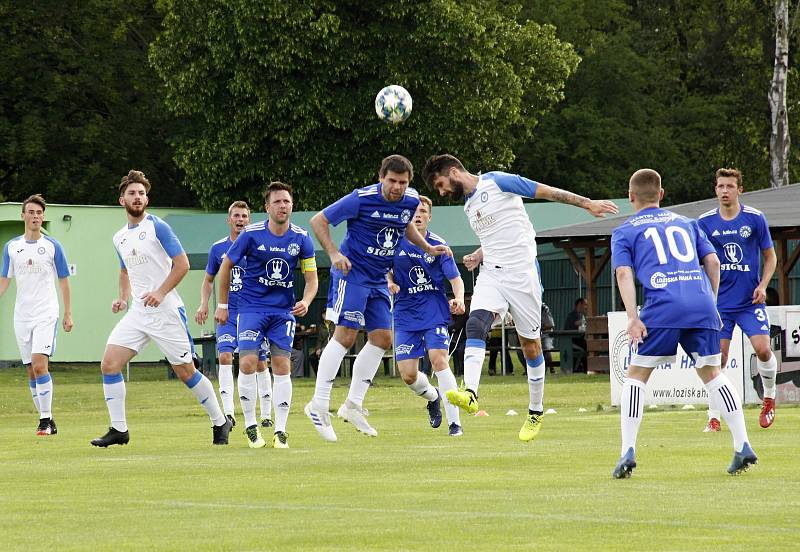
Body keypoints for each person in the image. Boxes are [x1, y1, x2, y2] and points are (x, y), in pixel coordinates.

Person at [422, 154, 618, 442]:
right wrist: (480, 253)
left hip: (523, 275)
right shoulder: (467, 205)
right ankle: (471, 393)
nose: (441, 192)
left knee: (531, 346)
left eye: (440, 184)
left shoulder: (498, 181)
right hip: (492, 275)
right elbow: (497, 236)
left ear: (453, 171)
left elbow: (545, 190)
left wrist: (586, 203)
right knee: (476, 323)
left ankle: (535, 411)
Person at [611, 168, 756, 478]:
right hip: (701, 303)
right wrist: (711, 304)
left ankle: (627, 452)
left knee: (636, 376)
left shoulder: (625, 230)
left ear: (630, 197)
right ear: (661, 195)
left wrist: (633, 317)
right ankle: (742, 444)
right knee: (712, 374)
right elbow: (713, 262)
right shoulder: (687, 222)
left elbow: (624, 274)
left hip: (662, 306)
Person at [305, 154, 450, 442]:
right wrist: (334, 253)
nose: (397, 187)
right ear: (381, 177)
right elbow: (318, 220)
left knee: (383, 340)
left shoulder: (410, 201)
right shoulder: (361, 198)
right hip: (353, 274)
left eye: (403, 182)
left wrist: (428, 249)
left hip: (379, 278)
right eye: (392, 181)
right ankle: (318, 405)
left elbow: (406, 226)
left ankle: (353, 405)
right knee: (346, 335)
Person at [92, 170, 231, 447]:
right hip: (138, 313)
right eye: (132, 193)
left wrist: (160, 292)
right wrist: (122, 298)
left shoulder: (158, 227)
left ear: (147, 198)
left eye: (141, 193)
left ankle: (220, 421)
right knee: (109, 365)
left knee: (186, 372)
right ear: (122, 200)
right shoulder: (119, 237)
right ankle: (119, 430)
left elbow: (183, 265)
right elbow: (124, 271)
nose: (137, 197)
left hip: (166, 311)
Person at [215, 181, 317, 449]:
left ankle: (281, 431)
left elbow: (311, 277)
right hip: (251, 310)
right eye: (277, 202)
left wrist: (306, 300)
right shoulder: (251, 234)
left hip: (282, 312)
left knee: (282, 366)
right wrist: (223, 305)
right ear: (267, 207)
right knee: (248, 363)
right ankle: (250, 426)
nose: (283, 206)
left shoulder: (302, 237)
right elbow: (226, 267)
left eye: (287, 201)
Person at [698, 168, 778, 432]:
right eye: (720, 186)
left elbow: (770, 256)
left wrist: (764, 285)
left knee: (763, 349)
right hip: (719, 304)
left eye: (729, 186)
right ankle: (713, 416)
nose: (724, 191)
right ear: (715, 189)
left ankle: (768, 398)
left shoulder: (755, 218)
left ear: (739, 190)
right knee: (716, 360)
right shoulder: (705, 222)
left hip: (749, 302)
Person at [387, 195, 466, 436]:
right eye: (414, 211)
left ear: (429, 217)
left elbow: (456, 279)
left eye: (423, 211)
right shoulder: (394, 244)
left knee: (439, 360)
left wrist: (459, 298)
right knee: (408, 375)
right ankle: (433, 398)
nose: (418, 214)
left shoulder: (439, 245)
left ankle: (455, 424)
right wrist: (390, 282)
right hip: (405, 314)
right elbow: (384, 272)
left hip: (434, 312)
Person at [195, 201, 273, 429]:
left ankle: (266, 415)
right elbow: (208, 280)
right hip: (227, 312)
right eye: (236, 216)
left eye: (244, 216)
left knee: (260, 362)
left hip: (254, 312)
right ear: (229, 220)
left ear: (249, 220)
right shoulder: (218, 249)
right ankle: (228, 413)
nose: (240, 220)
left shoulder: (259, 245)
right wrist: (204, 304)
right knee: (225, 357)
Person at [0, 194, 73, 436]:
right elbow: (4, 281)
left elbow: (64, 281)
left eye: (39, 213)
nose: (35, 217)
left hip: (46, 313)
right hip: (22, 316)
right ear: (23, 215)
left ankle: (44, 421)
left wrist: (68, 314)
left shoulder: (53, 246)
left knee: (41, 365)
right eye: (31, 212)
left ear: (43, 217)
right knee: (31, 369)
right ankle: (48, 419)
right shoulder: (11, 247)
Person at [563, 297, 588, 372]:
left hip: (578, 340)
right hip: (570, 341)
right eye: (585, 305)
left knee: (587, 345)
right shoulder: (572, 315)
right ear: (580, 304)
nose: (587, 307)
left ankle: (585, 368)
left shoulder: (580, 315)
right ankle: (585, 369)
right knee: (586, 347)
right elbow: (575, 325)